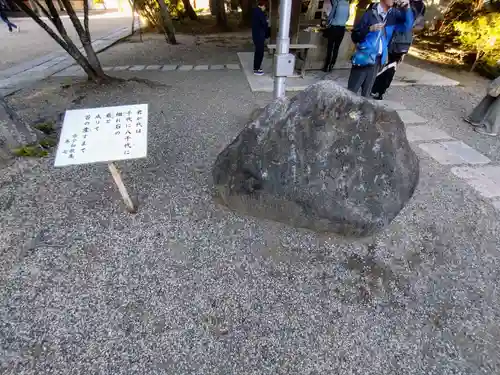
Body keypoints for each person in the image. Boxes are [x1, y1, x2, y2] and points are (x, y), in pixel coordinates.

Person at [347, 0, 413, 97]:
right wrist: (369, 29)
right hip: (364, 58)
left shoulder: (393, 15)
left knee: (366, 95)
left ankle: (361, 112)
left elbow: (408, 26)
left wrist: (407, 8)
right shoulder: (370, 13)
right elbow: (355, 36)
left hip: (377, 60)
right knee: (351, 93)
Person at [370, 0, 425, 100]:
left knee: (389, 67)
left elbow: (415, 25)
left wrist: (408, 18)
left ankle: (379, 90)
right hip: (396, 39)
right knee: (385, 65)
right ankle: (376, 88)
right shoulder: (411, 4)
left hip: (399, 41)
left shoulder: (417, 5)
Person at [322, 0, 351, 72]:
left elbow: (331, 16)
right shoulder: (347, 4)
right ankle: (332, 65)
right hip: (342, 29)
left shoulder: (336, 2)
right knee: (336, 48)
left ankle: (326, 66)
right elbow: (347, 18)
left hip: (334, 28)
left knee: (330, 47)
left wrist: (327, 21)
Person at [252, 0, 270, 76]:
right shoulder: (260, 13)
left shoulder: (255, 11)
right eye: (265, 7)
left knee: (258, 52)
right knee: (260, 53)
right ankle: (256, 69)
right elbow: (264, 24)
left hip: (256, 35)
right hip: (259, 35)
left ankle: (257, 67)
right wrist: (267, 33)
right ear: (263, 5)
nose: (265, 9)